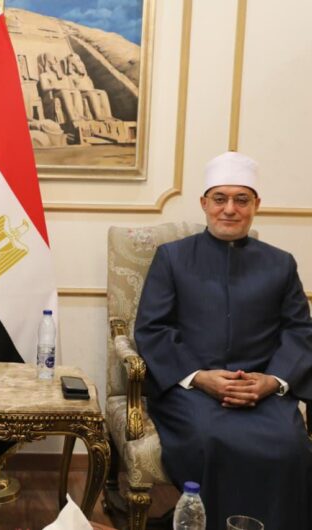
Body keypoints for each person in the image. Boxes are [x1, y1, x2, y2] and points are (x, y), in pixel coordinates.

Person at [134, 151, 312, 530]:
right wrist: (200, 377)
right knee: (209, 438)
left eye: (241, 199)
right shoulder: (172, 258)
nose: (230, 209)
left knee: (290, 445)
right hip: (190, 391)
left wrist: (273, 381)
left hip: (260, 390)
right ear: (204, 203)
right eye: (220, 199)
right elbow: (152, 328)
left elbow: (299, 331)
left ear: (256, 205)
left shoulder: (280, 263)